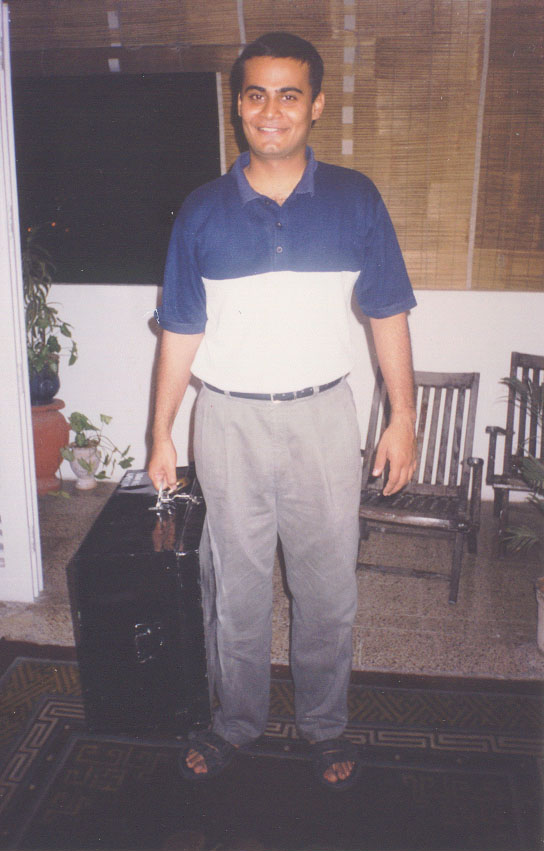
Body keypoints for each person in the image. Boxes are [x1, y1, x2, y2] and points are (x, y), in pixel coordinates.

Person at [149, 31, 417, 790]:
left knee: (327, 587)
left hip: (322, 419)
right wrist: (160, 431)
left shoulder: (356, 199)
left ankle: (324, 725)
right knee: (234, 588)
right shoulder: (201, 211)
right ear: (239, 106)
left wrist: (404, 417)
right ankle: (237, 721)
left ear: (316, 105)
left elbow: (389, 312)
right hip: (226, 421)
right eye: (256, 94)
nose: (272, 111)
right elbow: (181, 330)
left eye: (289, 95)